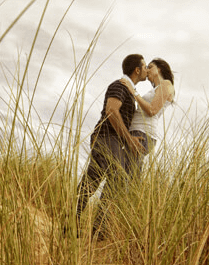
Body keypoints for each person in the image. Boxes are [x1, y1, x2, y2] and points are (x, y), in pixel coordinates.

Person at [73, 54, 148, 237]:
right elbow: (111, 111)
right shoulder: (119, 85)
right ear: (137, 70)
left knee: (91, 181)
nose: (147, 70)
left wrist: (129, 137)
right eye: (145, 67)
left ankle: (70, 223)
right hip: (107, 138)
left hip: (108, 139)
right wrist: (128, 139)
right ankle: (99, 231)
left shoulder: (128, 90)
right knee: (118, 178)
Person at [123, 58, 175, 173]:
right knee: (129, 172)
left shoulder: (166, 84)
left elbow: (152, 110)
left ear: (159, 68)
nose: (147, 70)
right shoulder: (155, 89)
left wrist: (133, 91)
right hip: (137, 131)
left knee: (128, 172)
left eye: (150, 67)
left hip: (143, 133)